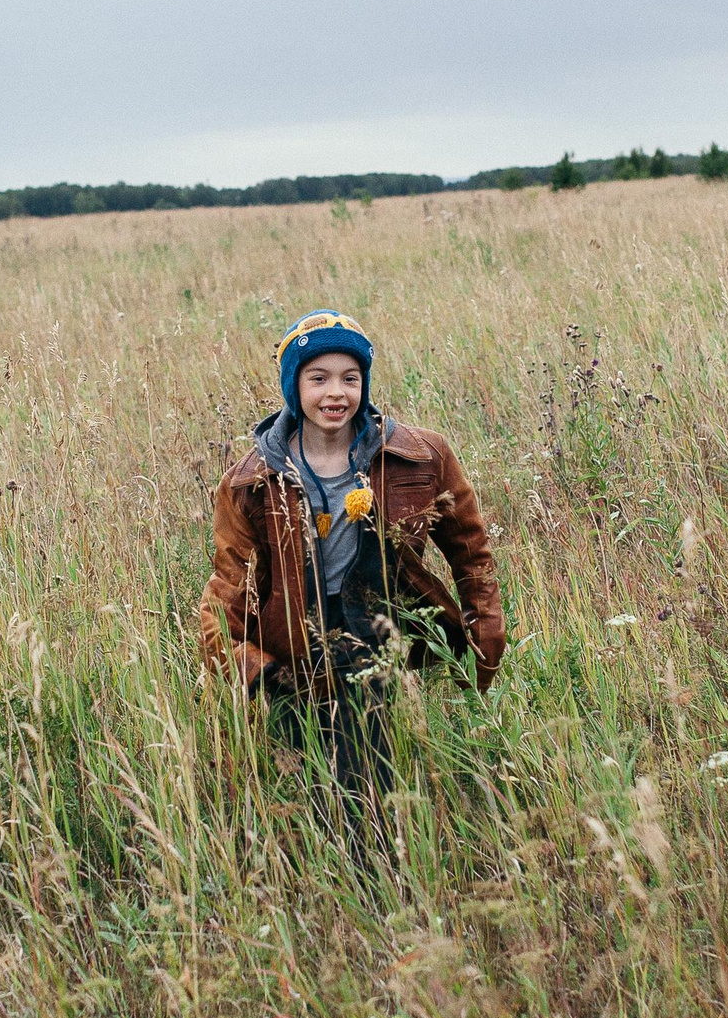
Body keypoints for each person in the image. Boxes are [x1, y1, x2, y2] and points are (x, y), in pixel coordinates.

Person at [196, 309, 506, 826]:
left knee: (370, 775)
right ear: (294, 386)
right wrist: (255, 669)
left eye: (350, 378)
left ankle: (380, 865)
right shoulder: (250, 482)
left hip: (374, 628)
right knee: (305, 778)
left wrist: (484, 619)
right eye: (318, 378)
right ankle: (319, 870)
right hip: (293, 645)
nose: (335, 393)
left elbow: (470, 547)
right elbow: (226, 589)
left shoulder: (420, 456)